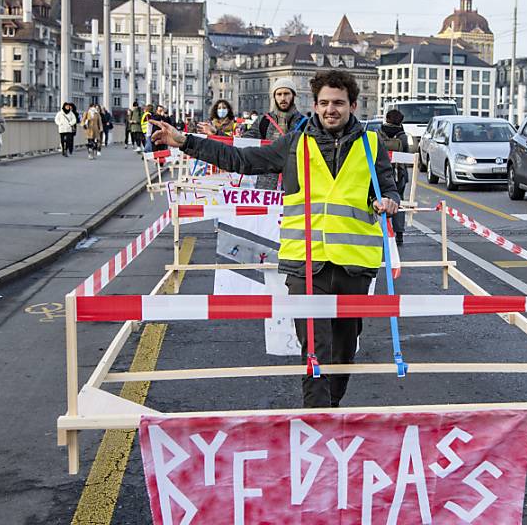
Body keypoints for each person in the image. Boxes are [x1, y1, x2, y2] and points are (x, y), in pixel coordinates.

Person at [150, 69, 400, 409]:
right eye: (324, 103)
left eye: (339, 103)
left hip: (354, 266)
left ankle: (331, 407)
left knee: (344, 352)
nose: (331, 109)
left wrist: (387, 201)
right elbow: (241, 159)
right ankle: (318, 421)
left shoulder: (372, 145)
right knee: (315, 350)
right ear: (314, 105)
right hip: (305, 265)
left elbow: (386, 186)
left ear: (352, 105)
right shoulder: (296, 144)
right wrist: (186, 142)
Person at [243, 77, 308, 190]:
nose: (283, 98)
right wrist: (217, 133)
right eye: (279, 94)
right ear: (274, 97)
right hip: (266, 186)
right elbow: (242, 144)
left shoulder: (306, 123)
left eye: (287, 93)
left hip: (295, 185)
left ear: (293, 95)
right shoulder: (263, 121)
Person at [377, 109, 410, 245]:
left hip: (382, 173)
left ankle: (383, 233)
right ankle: (399, 234)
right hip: (399, 175)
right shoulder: (402, 136)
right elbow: (407, 155)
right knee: (398, 202)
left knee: (380, 202)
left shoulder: (378, 134)